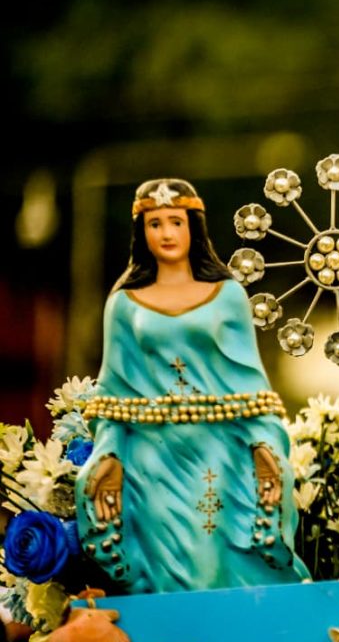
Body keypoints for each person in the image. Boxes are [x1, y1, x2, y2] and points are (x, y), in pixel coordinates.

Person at [76, 178, 309, 593]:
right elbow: (111, 397)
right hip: (150, 459)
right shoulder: (124, 304)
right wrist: (109, 455)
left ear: (193, 228)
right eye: (155, 224)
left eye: (175, 222)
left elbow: (251, 384)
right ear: (141, 232)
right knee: (162, 569)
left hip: (216, 454)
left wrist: (263, 445)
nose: (166, 233)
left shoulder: (227, 295)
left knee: (208, 564)